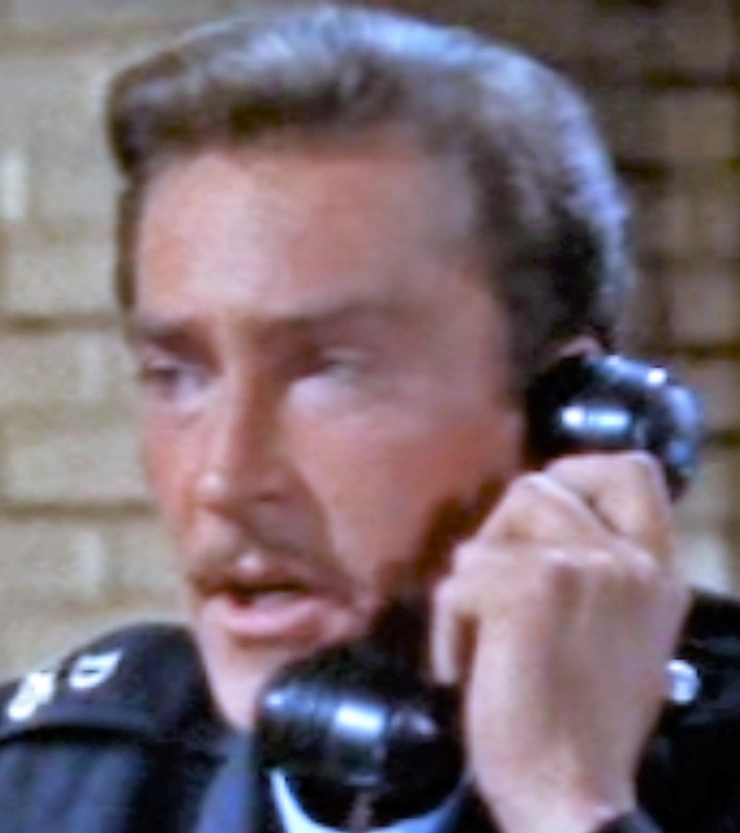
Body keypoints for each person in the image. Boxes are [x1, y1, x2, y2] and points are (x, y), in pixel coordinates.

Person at [0, 6, 738, 833]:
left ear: (573, 419)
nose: (225, 479)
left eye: (332, 370)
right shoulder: (53, 789)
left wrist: (566, 803)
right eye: (179, 375)